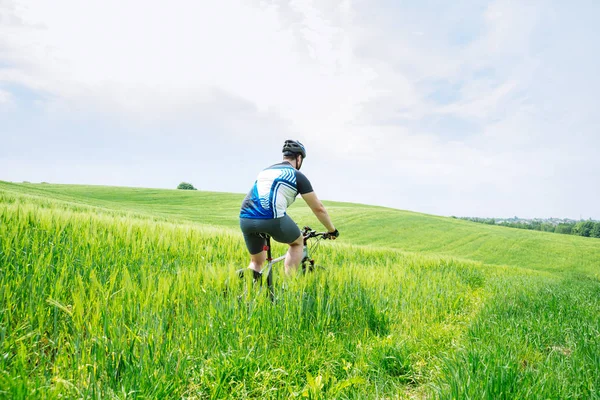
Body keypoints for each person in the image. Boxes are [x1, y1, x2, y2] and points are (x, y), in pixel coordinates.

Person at [240, 140, 339, 276]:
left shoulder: (265, 171)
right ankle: (288, 287)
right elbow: (318, 208)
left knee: (257, 262)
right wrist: (332, 230)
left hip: (246, 218)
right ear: (299, 158)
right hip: (271, 218)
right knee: (297, 243)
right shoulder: (296, 175)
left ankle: (247, 287)